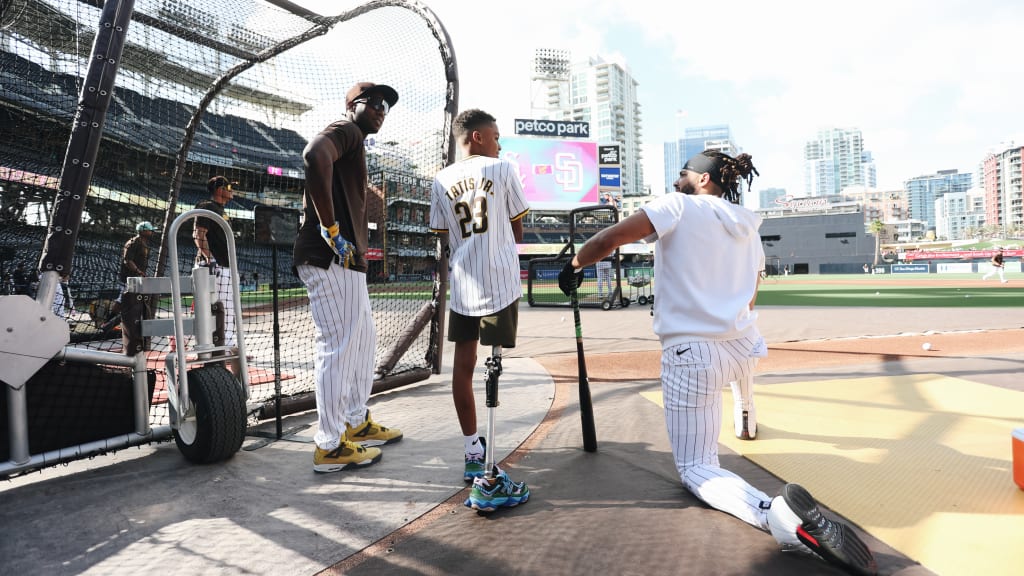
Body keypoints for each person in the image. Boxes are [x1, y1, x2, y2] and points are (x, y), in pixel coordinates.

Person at [558, 150, 877, 576]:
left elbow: (606, 241)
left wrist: (574, 265)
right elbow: (750, 295)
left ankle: (776, 517)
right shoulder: (748, 226)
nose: (676, 181)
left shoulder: (678, 206)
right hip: (743, 345)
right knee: (734, 377)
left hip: (693, 352)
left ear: (704, 180)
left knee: (698, 468)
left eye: (683, 174)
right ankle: (746, 414)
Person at [293, 81, 403, 473]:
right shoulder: (347, 130)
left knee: (362, 341)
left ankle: (355, 422)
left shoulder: (356, 137)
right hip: (328, 255)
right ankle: (329, 444)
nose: (381, 110)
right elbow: (314, 154)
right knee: (338, 345)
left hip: (347, 258)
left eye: (386, 107)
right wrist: (331, 227)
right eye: (373, 103)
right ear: (353, 105)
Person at [429, 108, 531, 510]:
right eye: (495, 134)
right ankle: (489, 478)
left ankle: (473, 451)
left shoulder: (440, 179)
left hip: (465, 284)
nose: (500, 141)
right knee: (495, 367)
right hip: (501, 282)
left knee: (464, 367)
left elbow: (444, 236)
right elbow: (518, 229)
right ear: (476, 136)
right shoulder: (503, 169)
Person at [193, 175, 239, 351]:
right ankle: (220, 345)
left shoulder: (220, 210)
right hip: (215, 266)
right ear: (220, 190)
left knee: (227, 307)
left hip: (225, 266)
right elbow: (199, 235)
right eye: (229, 187)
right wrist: (209, 259)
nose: (231, 191)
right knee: (217, 308)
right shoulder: (208, 207)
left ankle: (225, 344)